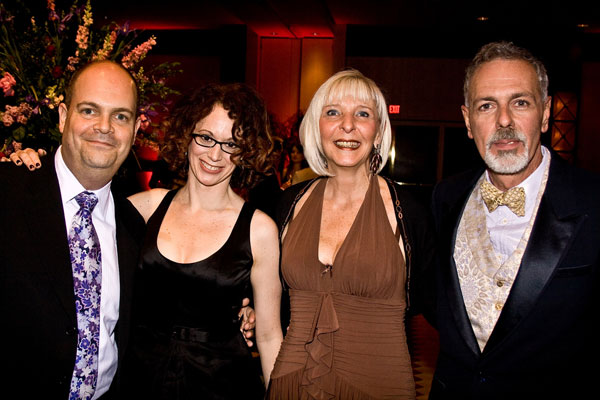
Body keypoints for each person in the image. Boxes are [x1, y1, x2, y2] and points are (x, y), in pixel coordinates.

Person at [429, 41, 600, 399]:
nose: (504, 120)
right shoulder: (444, 198)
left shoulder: (593, 202)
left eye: (520, 102)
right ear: (468, 121)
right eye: (486, 105)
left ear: (546, 113)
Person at [268, 69, 434, 399]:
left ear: (379, 130)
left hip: (379, 385)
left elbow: (439, 303)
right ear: (317, 127)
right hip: (291, 382)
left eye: (362, 114)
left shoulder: (410, 211)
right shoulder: (288, 204)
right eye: (333, 112)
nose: (347, 125)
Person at [121, 83, 282, 399]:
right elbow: (74, 214)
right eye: (206, 138)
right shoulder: (147, 207)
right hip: (140, 379)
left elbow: (268, 335)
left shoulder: (259, 229)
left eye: (230, 144)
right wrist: (33, 165)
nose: (215, 154)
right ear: (187, 136)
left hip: (223, 386)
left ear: (245, 151)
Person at [0, 60, 146, 399]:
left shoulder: (134, 228)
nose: (104, 127)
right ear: (63, 116)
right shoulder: (8, 195)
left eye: (120, 116)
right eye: (89, 110)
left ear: (136, 130)